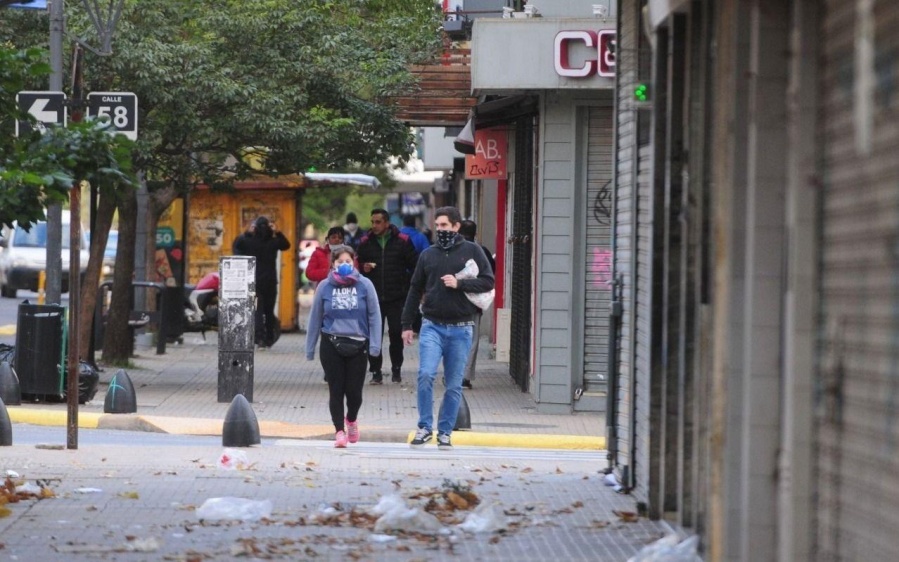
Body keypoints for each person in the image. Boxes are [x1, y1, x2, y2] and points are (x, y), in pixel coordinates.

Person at [401, 206, 494, 450]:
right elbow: (414, 289)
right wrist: (406, 324)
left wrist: (460, 283)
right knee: (425, 374)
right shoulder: (428, 255)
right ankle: (424, 427)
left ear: (456, 226)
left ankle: (444, 432)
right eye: (437, 225)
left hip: (461, 328)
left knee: (454, 384)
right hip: (432, 325)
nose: (440, 230)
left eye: (444, 225)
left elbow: (488, 281)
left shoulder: (472, 251)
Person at [305, 245, 382, 448]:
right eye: (340, 262)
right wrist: (310, 347)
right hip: (331, 343)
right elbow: (315, 317)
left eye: (348, 262)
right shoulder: (324, 286)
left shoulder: (365, 285)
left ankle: (352, 419)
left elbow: (375, 316)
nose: (345, 265)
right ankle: (339, 431)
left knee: (354, 392)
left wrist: (375, 345)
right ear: (333, 264)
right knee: (336, 389)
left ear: (354, 262)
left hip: (358, 344)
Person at [356, 209, 418, 385]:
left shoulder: (402, 241)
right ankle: (375, 371)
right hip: (372, 297)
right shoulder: (365, 242)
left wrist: (409, 285)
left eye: (378, 222)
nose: (374, 226)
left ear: (387, 223)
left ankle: (396, 368)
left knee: (396, 333)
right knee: (373, 335)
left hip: (397, 296)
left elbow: (415, 265)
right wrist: (363, 268)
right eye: (372, 222)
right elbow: (356, 265)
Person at [232, 216, 290, 348]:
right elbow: (286, 245)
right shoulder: (273, 242)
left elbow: (237, 245)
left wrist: (248, 232)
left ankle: (259, 338)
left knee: (257, 309)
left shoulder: (249, 241)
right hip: (270, 282)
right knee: (269, 311)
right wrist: (278, 232)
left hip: (254, 282)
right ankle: (269, 337)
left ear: (255, 228)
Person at [458, 219, 496, 389]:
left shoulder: (453, 251)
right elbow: (491, 274)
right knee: (472, 339)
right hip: (475, 303)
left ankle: (455, 373)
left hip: (455, 302)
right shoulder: (483, 252)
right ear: (475, 233)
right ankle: (465, 377)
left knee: (454, 338)